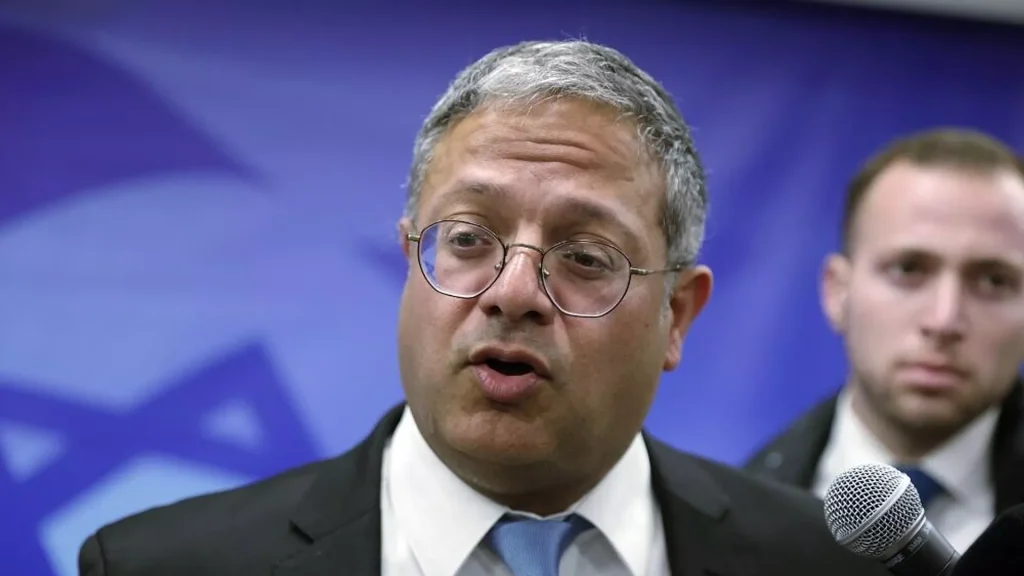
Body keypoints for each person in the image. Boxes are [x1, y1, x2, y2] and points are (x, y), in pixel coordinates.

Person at [79, 40, 887, 576]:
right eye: (467, 238)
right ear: (411, 261)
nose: (512, 293)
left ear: (676, 315)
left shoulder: (828, 564)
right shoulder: (161, 566)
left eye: (585, 257)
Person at [746, 128, 1024, 553]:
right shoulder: (732, 516)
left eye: (993, 280)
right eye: (908, 269)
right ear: (838, 292)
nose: (943, 320)